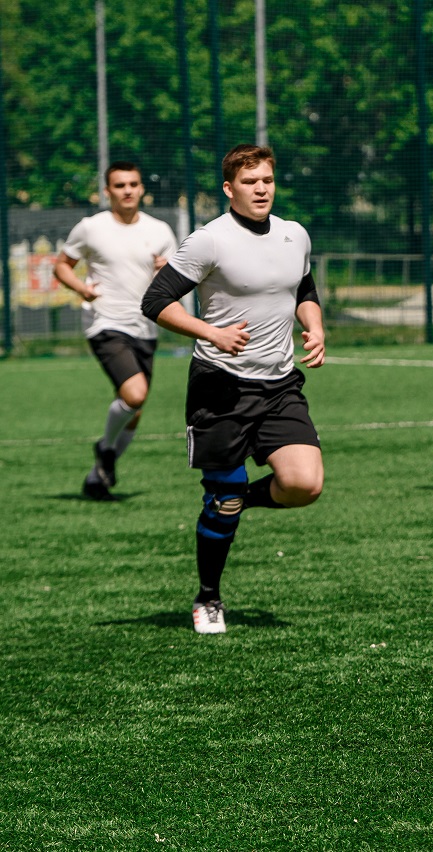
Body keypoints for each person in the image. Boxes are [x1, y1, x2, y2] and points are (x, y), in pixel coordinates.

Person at [141, 144, 326, 635]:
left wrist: (315, 325)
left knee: (305, 484)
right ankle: (208, 597)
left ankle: (235, 497)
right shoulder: (209, 241)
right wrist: (212, 334)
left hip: (281, 383)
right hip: (220, 386)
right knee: (220, 503)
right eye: (249, 182)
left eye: (266, 179)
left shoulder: (294, 234)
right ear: (229, 189)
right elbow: (156, 301)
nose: (261, 188)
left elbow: (303, 290)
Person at [54, 162, 178, 501]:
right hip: (105, 323)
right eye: (119, 185)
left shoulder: (161, 231)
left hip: (146, 328)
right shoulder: (91, 228)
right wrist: (82, 288)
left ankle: (97, 476)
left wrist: (166, 273)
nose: (127, 190)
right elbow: (62, 265)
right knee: (134, 394)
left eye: (133, 184)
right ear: (107, 192)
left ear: (141, 189)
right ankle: (105, 449)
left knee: (133, 413)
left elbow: (174, 284)